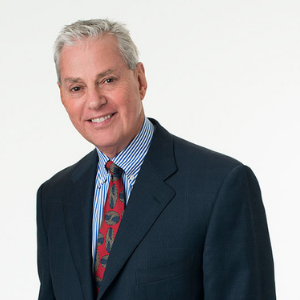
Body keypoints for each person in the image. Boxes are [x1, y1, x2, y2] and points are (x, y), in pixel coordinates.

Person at [37, 19, 276, 300]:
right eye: (76, 87)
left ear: (140, 80)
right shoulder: (54, 197)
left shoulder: (221, 185)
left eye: (108, 80)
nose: (94, 101)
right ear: (63, 96)